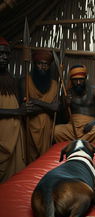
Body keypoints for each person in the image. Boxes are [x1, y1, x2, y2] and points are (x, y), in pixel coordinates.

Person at [54, 65, 95, 144]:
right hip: (72, 127)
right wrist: (65, 105)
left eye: (81, 80)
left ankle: (76, 144)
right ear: (71, 80)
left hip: (89, 128)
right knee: (56, 131)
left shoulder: (94, 91)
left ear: (85, 78)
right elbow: (63, 119)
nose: (78, 83)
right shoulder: (67, 93)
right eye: (75, 80)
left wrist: (92, 124)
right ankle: (82, 143)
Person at [24, 49, 58, 163]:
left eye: (46, 64)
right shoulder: (26, 81)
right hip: (30, 126)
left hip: (47, 129)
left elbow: (55, 108)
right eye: (40, 63)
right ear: (34, 64)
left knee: (44, 162)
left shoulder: (54, 85)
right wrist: (48, 107)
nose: (43, 67)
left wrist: (36, 102)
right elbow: (26, 109)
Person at [0, 37, 26, 183]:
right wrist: (16, 112)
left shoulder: (11, 78)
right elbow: (16, 110)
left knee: (14, 179)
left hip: (15, 133)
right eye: (0, 54)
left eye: (6, 54)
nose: (4, 57)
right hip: (2, 134)